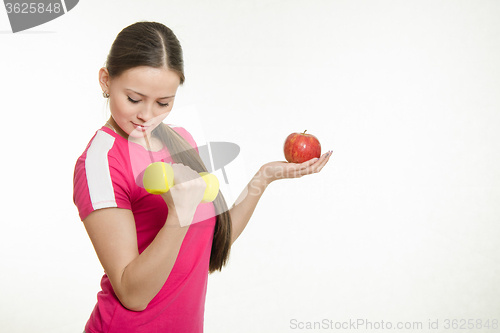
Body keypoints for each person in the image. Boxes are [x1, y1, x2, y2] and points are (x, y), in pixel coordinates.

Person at [73, 21, 332, 333]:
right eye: (133, 98)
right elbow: (133, 294)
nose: (147, 115)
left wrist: (265, 177)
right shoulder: (100, 163)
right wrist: (178, 215)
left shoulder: (179, 138)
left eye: (163, 103)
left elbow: (206, 248)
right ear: (106, 80)